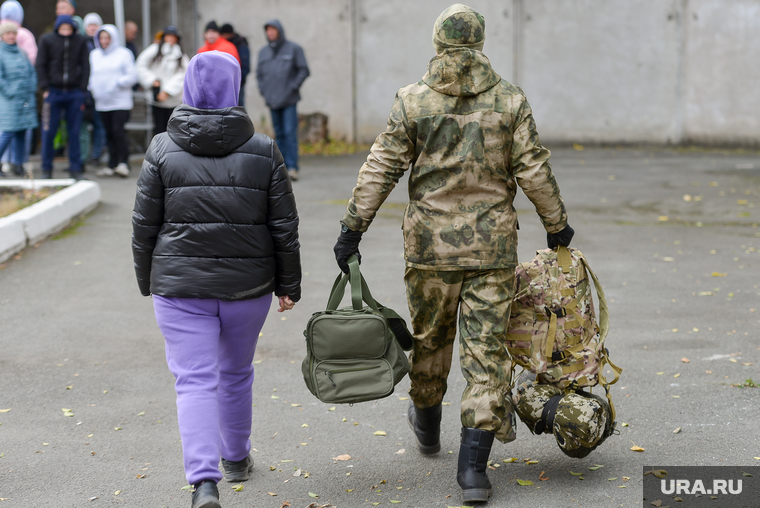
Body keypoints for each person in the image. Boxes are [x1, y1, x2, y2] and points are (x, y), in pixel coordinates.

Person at [333, 4, 574, 504]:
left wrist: (352, 228)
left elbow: (381, 167)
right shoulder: (509, 100)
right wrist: (557, 226)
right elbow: (533, 169)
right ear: (480, 42)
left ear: (439, 42)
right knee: (487, 354)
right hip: (492, 250)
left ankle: (426, 424)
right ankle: (473, 472)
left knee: (430, 341)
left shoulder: (413, 100)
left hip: (429, 249)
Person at [132, 51, 301, 508]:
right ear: (236, 87)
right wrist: (289, 285)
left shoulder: (161, 149)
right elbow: (284, 226)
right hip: (249, 289)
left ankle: (204, 482)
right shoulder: (264, 149)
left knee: (193, 381)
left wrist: (148, 279)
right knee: (236, 373)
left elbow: (143, 224)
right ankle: (236, 458)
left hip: (179, 287)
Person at [37, 14, 89, 179]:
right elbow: (40, 64)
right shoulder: (47, 40)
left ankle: (75, 169)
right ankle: (46, 168)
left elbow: (86, 65)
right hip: (53, 92)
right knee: (48, 132)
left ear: (73, 28)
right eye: (63, 28)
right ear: (57, 28)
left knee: (74, 132)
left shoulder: (80, 41)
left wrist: (82, 89)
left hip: (74, 93)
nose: (66, 31)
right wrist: (45, 87)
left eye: (69, 28)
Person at [256, 19, 309, 182]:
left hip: (289, 100)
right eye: (268, 31)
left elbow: (304, 70)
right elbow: (259, 75)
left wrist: (292, 87)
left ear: (279, 31)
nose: (270, 33)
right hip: (272, 100)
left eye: (273, 30)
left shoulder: (294, 48)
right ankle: (281, 168)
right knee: (278, 134)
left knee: (289, 133)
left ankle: (292, 167)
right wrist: (264, 92)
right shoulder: (263, 52)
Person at [89, 24, 137, 178]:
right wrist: (93, 88)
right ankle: (112, 163)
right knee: (108, 133)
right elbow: (92, 75)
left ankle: (124, 163)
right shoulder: (94, 55)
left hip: (120, 102)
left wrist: (116, 84)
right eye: (101, 38)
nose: (104, 41)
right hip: (102, 102)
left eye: (107, 37)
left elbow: (132, 77)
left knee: (118, 132)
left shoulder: (124, 54)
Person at [0, 0, 36, 176]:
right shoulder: (0, 52)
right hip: (9, 101)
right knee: (7, 133)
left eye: (13, 33)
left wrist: (31, 89)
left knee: (22, 133)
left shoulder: (21, 52)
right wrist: (10, 92)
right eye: (7, 34)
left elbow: (31, 72)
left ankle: (18, 164)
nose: (11, 36)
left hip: (25, 100)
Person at [135, 25, 188, 135]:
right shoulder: (154, 50)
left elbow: (183, 74)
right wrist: (153, 80)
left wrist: (167, 91)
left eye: (173, 37)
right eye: (168, 36)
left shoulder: (181, 55)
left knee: (173, 129)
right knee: (158, 129)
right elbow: (141, 64)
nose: (170, 39)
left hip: (174, 100)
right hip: (156, 99)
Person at [82, 12, 105, 167]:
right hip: (85, 90)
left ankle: (96, 155)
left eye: (95, 25)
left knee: (99, 124)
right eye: (90, 25)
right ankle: (83, 158)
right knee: (82, 125)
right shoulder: (81, 42)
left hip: (100, 92)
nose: (92, 28)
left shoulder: (103, 45)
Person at [219, 23, 249, 107]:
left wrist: (238, 80)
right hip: (228, 82)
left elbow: (245, 65)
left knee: (239, 106)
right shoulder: (225, 44)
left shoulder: (240, 44)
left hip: (239, 82)